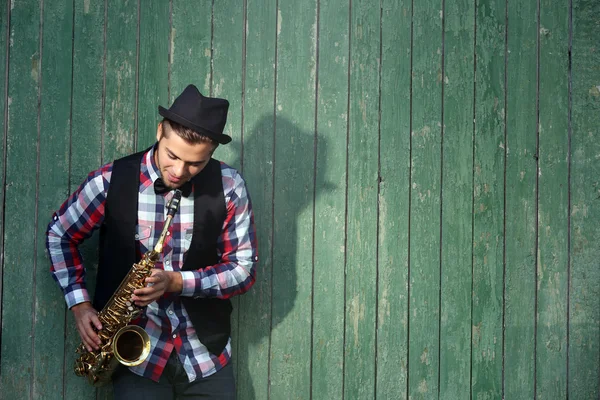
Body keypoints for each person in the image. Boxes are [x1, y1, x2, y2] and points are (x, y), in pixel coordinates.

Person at [46, 84, 258, 399]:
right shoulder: (108, 182)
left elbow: (243, 269)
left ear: (212, 152)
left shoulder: (229, 186)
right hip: (136, 360)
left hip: (206, 357)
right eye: (172, 155)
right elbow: (59, 234)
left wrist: (176, 281)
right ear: (160, 131)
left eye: (195, 163)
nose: (179, 171)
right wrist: (79, 304)